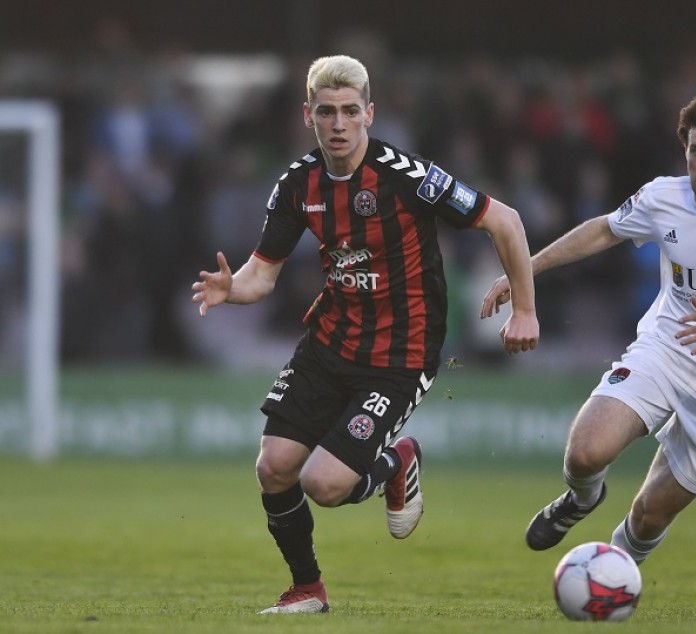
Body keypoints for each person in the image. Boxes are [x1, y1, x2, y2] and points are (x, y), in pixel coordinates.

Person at [191, 54, 540, 614]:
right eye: (326, 112)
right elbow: (261, 276)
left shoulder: (408, 178)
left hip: (401, 354)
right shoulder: (298, 184)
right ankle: (307, 590)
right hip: (331, 341)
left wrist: (524, 309)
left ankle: (396, 462)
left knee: (324, 485)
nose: (338, 123)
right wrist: (230, 288)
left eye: (350, 111)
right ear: (309, 116)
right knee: (274, 466)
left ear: (369, 113)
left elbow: (506, 221)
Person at [481, 90, 696, 563]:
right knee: (585, 454)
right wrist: (524, 270)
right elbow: (605, 229)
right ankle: (583, 498)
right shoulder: (664, 196)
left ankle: (616, 571)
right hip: (665, 349)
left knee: (649, 517)